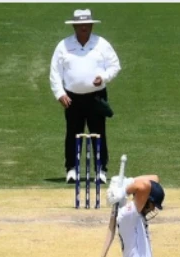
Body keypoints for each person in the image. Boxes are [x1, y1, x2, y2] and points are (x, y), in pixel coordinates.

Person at [50, 8, 121, 184]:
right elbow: (55, 72)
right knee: (73, 133)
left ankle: (101, 170)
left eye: (86, 25)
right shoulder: (64, 46)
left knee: (99, 133)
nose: (83, 28)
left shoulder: (101, 44)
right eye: (80, 25)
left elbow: (114, 65)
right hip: (72, 98)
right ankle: (72, 169)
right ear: (74, 26)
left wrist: (103, 77)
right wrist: (60, 93)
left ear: (91, 25)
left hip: (96, 97)